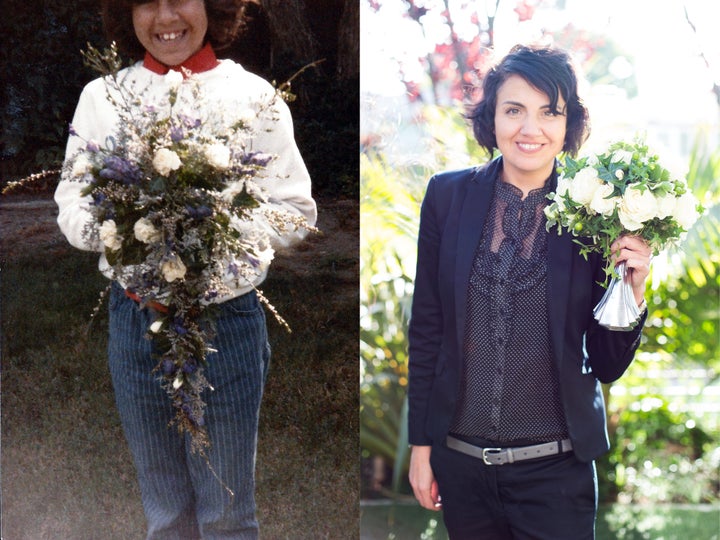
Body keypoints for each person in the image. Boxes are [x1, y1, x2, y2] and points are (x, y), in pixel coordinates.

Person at [54, 0, 316, 538]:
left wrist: (210, 231)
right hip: (135, 322)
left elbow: (295, 213)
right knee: (165, 509)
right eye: (148, 2)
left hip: (226, 322)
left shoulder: (254, 97)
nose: (165, 16)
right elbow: (72, 201)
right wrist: (116, 227)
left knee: (226, 511)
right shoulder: (103, 98)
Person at [407, 44, 651, 539]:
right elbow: (427, 328)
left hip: (556, 478)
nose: (529, 128)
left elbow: (606, 365)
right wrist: (421, 447)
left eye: (548, 112)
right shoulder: (446, 196)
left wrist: (634, 288)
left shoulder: (598, 214)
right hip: (462, 470)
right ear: (492, 116)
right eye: (514, 110)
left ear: (568, 123)